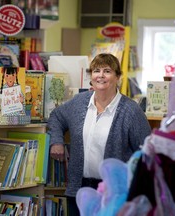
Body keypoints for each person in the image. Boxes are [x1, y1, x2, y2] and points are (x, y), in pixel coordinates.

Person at [47, 53, 151, 215]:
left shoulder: (131, 111)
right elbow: (56, 116)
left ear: (118, 77)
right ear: (91, 76)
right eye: (96, 70)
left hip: (114, 194)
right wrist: (57, 141)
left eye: (107, 71)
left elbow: (146, 151)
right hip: (78, 189)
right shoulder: (80, 102)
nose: (101, 75)